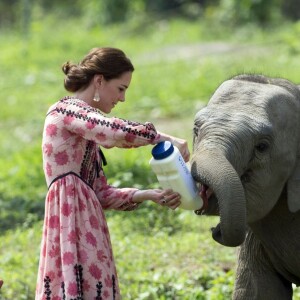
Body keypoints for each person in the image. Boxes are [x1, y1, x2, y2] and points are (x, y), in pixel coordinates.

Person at [35, 47, 190, 299]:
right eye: (121, 88)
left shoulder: (85, 131)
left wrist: (149, 195)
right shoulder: (64, 112)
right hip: (70, 227)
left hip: (88, 229)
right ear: (99, 81)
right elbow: (114, 131)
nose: (122, 98)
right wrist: (163, 138)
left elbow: (101, 193)